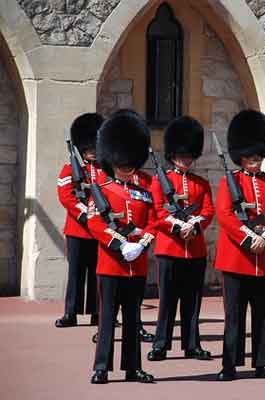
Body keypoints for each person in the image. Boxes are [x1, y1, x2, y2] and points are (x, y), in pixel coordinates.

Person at [214, 110, 265, 381]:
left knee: (263, 315)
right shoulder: (228, 182)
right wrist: (248, 237)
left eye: (257, 158)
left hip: (264, 258)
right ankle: (230, 364)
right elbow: (225, 215)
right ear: (241, 157)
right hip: (236, 258)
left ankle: (263, 363)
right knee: (233, 315)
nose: (254, 162)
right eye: (249, 158)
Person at [88, 110, 156, 384]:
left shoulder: (145, 191)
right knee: (107, 319)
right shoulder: (102, 189)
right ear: (111, 160)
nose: (126, 167)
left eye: (130, 163)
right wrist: (119, 245)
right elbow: (95, 223)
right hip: (111, 264)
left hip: (136, 264)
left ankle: (132, 367)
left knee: (133, 318)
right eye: (121, 163)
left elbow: (154, 222)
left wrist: (141, 245)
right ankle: (102, 366)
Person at [147, 116, 214, 362]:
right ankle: (161, 344)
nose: (185, 160)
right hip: (169, 249)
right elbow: (157, 212)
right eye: (181, 155)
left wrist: (194, 227)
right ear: (172, 154)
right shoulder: (159, 181)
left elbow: (208, 211)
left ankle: (192, 344)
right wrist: (178, 227)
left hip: (195, 250)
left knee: (192, 301)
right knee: (167, 301)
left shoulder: (202, 184)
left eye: (189, 156)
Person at [56, 113, 105, 328]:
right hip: (77, 229)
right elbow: (66, 196)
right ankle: (71, 313)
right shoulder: (70, 169)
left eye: (95, 148)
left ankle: (97, 312)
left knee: (97, 272)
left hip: (99, 230)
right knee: (76, 272)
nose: (93, 152)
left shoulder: (105, 171)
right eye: (89, 149)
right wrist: (85, 213)